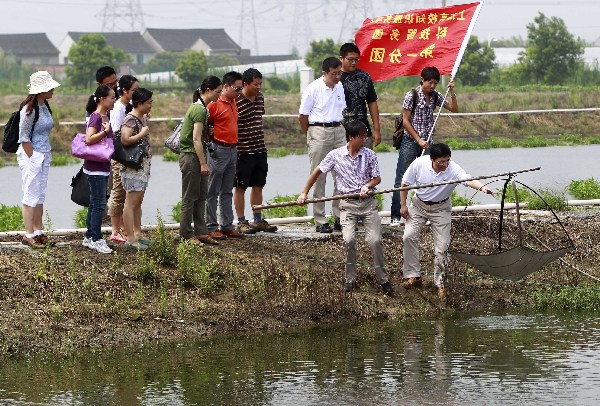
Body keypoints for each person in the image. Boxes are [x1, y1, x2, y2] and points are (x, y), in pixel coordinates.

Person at [297, 120, 394, 296]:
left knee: (375, 240)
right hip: (347, 205)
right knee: (349, 239)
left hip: (368, 204)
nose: (364, 140)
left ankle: (382, 279)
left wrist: (367, 186)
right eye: (361, 137)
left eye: (366, 136)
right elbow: (317, 172)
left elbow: (377, 178)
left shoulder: (370, 155)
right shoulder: (335, 155)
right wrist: (304, 193)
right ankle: (350, 279)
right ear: (351, 138)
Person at [400, 143, 494, 299]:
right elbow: (405, 184)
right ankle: (413, 276)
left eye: (447, 161)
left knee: (442, 247)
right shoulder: (419, 164)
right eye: (441, 162)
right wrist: (403, 205)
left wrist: (482, 187)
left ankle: (440, 282)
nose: (445, 165)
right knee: (408, 236)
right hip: (419, 205)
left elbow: (468, 179)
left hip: (441, 208)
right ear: (432, 159)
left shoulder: (453, 168)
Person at [390, 66, 459, 226]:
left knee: (428, 176)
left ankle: (425, 213)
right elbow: (406, 121)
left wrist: (452, 92)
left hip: (428, 142)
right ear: (422, 80)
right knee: (402, 177)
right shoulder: (412, 95)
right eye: (430, 82)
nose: (432, 86)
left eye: (435, 83)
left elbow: (454, 109)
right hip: (410, 141)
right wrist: (418, 139)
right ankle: (396, 214)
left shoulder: (436, 96)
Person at [298, 57, 347, 233]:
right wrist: (310, 135)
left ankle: (340, 217)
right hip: (319, 130)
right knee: (319, 175)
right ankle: (320, 219)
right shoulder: (313, 89)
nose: (337, 77)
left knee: (342, 174)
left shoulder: (340, 86)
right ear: (324, 73)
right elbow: (303, 116)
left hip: (338, 130)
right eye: (334, 74)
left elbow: (341, 109)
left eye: (339, 73)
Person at [16, 71, 60, 248]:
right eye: (49, 87)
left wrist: (42, 155)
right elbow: (24, 137)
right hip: (31, 155)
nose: (52, 90)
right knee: (30, 194)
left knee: (40, 194)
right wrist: (33, 157)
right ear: (41, 90)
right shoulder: (29, 109)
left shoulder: (44, 106)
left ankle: (38, 232)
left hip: (44, 153)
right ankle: (28, 235)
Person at [178, 76, 223, 246]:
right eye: (218, 92)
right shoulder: (199, 110)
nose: (219, 95)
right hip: (191, 157)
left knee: (201, 195)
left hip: (197, 155)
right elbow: (196, 139)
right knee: (189, 197)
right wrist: (204, 163)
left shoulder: (203, 108)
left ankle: (201, 230)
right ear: (208, 90)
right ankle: (186, 234)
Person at [234, 68, 277, 235]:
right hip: (242, 151)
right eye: (255, 84)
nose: (259, 87)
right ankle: (241, 221)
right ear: (245, 84)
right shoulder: (236, 101)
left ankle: (257, 220)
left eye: (260, 84)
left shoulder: (260, 98)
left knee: (258, 185)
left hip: (259, 149)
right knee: (240, 187)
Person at [206, 71, 245, 240]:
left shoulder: (233, 102)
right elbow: (202, 127)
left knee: (227, 190)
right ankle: (211, 226)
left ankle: (227, 225)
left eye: (241, 89)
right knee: (212, 191)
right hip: (218, 149)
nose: (239, 92)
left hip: (232, 149)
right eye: (237, 89)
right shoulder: (214, 104)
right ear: (226, 86)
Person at [81, 85, 116, 254]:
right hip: (96, 169)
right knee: (99, 204)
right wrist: (105, 132)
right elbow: (88, 139)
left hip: (100, 166)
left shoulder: (105, 115)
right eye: (112, 97)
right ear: (103, 99)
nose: (114, 100)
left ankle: (89, 236)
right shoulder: (96, 117)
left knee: (95, 202)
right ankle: (96, 238)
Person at [120, 88, 154, 251]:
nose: (150, 105)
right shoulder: (130, 119)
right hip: (133, 168)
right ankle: (130, 238)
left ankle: (138, 233)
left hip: (142, 166)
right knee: (130, 203)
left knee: (138, 202)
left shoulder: (140, 118)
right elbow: (125, 140)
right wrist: (142, 133)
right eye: (148, 102)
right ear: (139, 103)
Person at [108, 75, 138, 243]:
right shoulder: (119, 108)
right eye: (134, 90)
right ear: (125, 91)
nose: (136, 93)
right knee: (118, 192)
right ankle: (115, 230)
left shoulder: (128, 106)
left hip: (125, 155)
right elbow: (117, 133)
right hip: (120, 155)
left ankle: (123, 228)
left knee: (126, 192)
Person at [339, 42, 381, 149]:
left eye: (356, 60)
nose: (354, 63)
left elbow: (372, 103)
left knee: (365, 163)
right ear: (341, 58)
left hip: (362, 128)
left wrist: (377, 129)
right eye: (350, 59)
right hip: (340, 130)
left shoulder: (364, 77)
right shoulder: (335, 77)